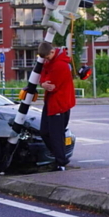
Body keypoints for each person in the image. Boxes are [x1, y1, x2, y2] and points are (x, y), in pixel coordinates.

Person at [37, 41, 75, 171]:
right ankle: (60, 158)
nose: (46, 60)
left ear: (52, 52)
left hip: (59, 103)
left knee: (55, 134)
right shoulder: (52, 63)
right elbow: (43, 77)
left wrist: (43, 83)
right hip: (53, 102)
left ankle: (60, 161)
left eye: (47, 57)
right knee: (46, 132)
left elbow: (52, 85)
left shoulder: (60, 65)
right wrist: (43, 83)